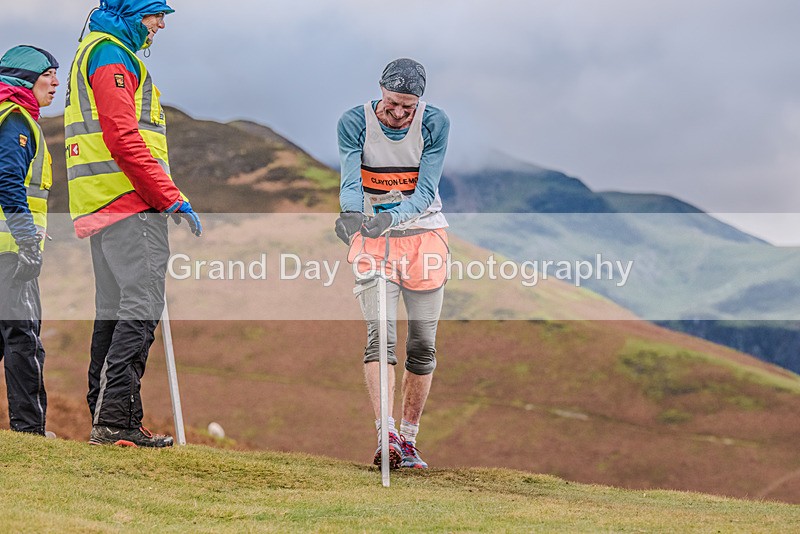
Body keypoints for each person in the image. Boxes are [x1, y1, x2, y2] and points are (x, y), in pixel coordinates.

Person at [64, 0, 202, 447]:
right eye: (154, 14)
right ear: (130, 12)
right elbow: (122, 136)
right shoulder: (111, 54)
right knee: (140, 307)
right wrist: (170, 198)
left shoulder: (97, 49)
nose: (161, 24)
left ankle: (108, 418)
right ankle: (115, 420)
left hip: (102, 204)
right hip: (128, 203)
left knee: (114, 312)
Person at [336, 58, 450, 469]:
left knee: (422, 346)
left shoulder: (436, 123)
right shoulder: (354, 121)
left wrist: (391, 216)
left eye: (409, 106)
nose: (399, 113)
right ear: (379, 91)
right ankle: (384, 434)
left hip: (425, 238)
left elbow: (424, 193)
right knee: (379, 336)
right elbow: (351, 180)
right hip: (374, 243)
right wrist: (352, 216)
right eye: (392, 103)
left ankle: (409, 439)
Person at [0, 45, 59, 436]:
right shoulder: (17, 120)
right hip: (10, 254)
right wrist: (28, 244)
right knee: (24, 339)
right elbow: (8, 183)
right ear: (24, 79)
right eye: (47, 75)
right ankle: (30, 430)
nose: (56, 83)